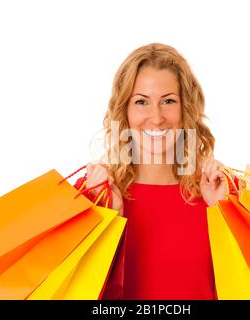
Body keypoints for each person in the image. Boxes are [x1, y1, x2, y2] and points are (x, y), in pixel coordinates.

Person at [83, 43, 227, 300]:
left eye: (168, 101)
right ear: (124, 111)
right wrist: (108, 222)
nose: (157, 117)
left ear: (186, 109)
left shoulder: (219, 193)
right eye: (141, 102)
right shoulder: (94, 194)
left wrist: (226, 216)